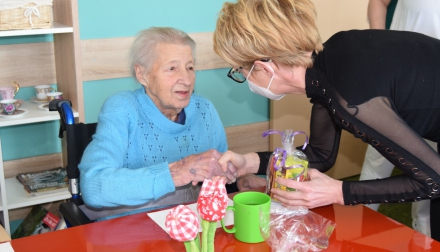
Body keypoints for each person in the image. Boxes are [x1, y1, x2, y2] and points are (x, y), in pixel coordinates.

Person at [213, 0, 440, 236]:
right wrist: (248, 162)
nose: (243, 78)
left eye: (239, 71)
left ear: (264, 68)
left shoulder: (350, 97)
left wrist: (338, 192)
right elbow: (320, 155)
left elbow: (433, 180)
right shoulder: (328, 64)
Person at [78, 27, 237, 220]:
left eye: (190, 67)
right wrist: (176, 172)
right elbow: (93, 187)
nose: (186, 80)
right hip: (131, 228)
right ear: (142, 74)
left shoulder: (205, 109)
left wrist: (237, 180)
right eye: (172, 68)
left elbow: (219, 176)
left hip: (193, 226)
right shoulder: (122, 109)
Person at [362, 0, 440, 238]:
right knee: (379, 159)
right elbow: (378, 2)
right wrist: (379, 49)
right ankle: (354, 227)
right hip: (399, 79)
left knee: (432, 167)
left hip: (436, 88)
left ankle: (424, 234)